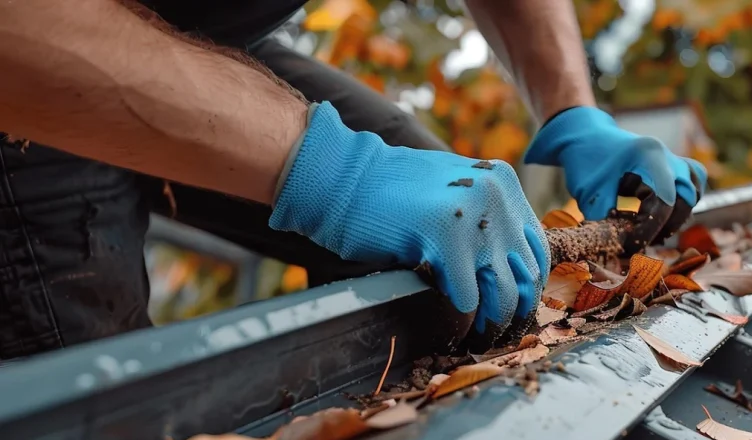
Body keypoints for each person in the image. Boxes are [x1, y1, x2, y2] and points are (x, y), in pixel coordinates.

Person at [0, 0, 706, 360]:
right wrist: (340, 175)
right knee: (98, 417)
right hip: (31, 57)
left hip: (203, 38)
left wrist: (573, 112)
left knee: (458, 244)